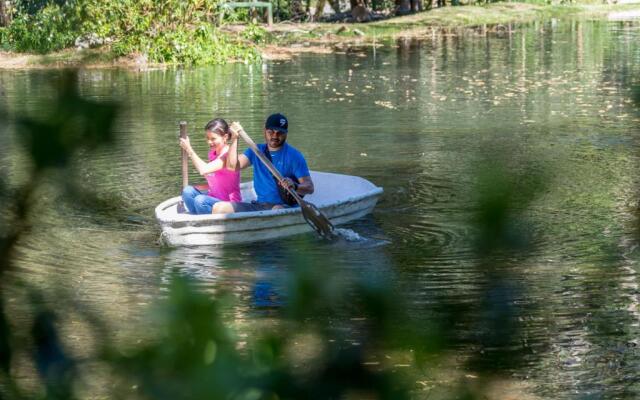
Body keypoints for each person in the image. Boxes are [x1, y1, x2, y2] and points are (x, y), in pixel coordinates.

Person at [212, 113, 314, 213]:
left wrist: (295, 186)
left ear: (286, 134)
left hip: (283, 207)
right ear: (264, 131)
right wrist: (235, 138)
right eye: (271, 132)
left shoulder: (294, 156)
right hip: (259, 206)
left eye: (280, 133)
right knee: (219, 208)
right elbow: (232, 167)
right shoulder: (256, 150)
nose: (275, 136)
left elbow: (310, 187)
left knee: (277, 210)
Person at [179, 118, 241, 214]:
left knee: (200, 200)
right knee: (187, 191)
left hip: (227, 204)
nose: (209, 142)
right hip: (212, 199)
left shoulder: (227, 156)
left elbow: (203, 170)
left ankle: (203, 220)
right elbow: (216, 181)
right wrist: (198, 187)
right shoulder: (212, 153)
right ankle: (198, 219)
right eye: (207, 138)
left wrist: (189, 149)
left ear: (225, 137)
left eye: (213, 139)